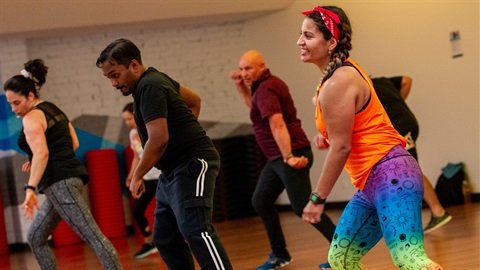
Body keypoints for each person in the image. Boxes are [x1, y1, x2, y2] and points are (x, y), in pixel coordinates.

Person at [297, 6, 443, 270]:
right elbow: (350, 127)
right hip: (372, 183)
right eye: (301, 34)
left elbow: (342, 147)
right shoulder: (336, 77)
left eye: (308, 35)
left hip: (392, 175)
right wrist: (326, 135)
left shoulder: (339, 81)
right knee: (341, 259)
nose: (300, 41)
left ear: (330, 42)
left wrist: (317, 199)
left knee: (410, 260)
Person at [96, 38, 232, 270]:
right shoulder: (155, 80)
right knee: (165, 238)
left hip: (193, 164)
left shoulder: (149, 86)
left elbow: (158, 139)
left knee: (195, 229)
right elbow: (194, 101)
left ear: (134, 65)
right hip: (171, 171)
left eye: (115, 74)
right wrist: (182, 131)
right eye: (108, 77)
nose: (113, 83)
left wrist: (138, 174)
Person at [4, 59, 122, 270]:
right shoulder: (52, 108)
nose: (13, 109)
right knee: (36, 237)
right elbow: (72, 143)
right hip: (67, 180)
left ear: (30, 96)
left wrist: (30, 188)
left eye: (16, 103)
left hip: (60, 183)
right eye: (10, 103)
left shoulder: (31, 118)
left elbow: (42, 152)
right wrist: (36, 161)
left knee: (93, 236)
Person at [229, 50, 336, 270]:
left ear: (262, 66)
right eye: (241, 69)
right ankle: (280, 254)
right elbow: (255, 109)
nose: (244, 73)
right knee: (261, 200)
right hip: (278, 158)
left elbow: (277, 124)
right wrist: (241, 86)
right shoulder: (262, 87)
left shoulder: (266, 88)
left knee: (303, 207)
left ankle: (344, 252)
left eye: (248, 68)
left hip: (290, 154)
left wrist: (289, 157)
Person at [371, 76, 452, 234]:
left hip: (399, 127)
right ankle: (431, 214)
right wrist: (397, 103)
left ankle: (437, 212)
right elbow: (407, 80)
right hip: (408, 122)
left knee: (410, 172)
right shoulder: (381, 81)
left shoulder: (362, 88)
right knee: (405, 171)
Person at [122, 102, 162, 258]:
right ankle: (149, 241)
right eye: (125, 120)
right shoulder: (133, 134)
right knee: (137, 210)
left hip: (161, 177)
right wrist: (132, 175)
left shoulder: (150, 129)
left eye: (130, 119)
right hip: (147, 179)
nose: (128, 123)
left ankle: (179, 240)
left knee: (168, 210)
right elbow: (136, 156)